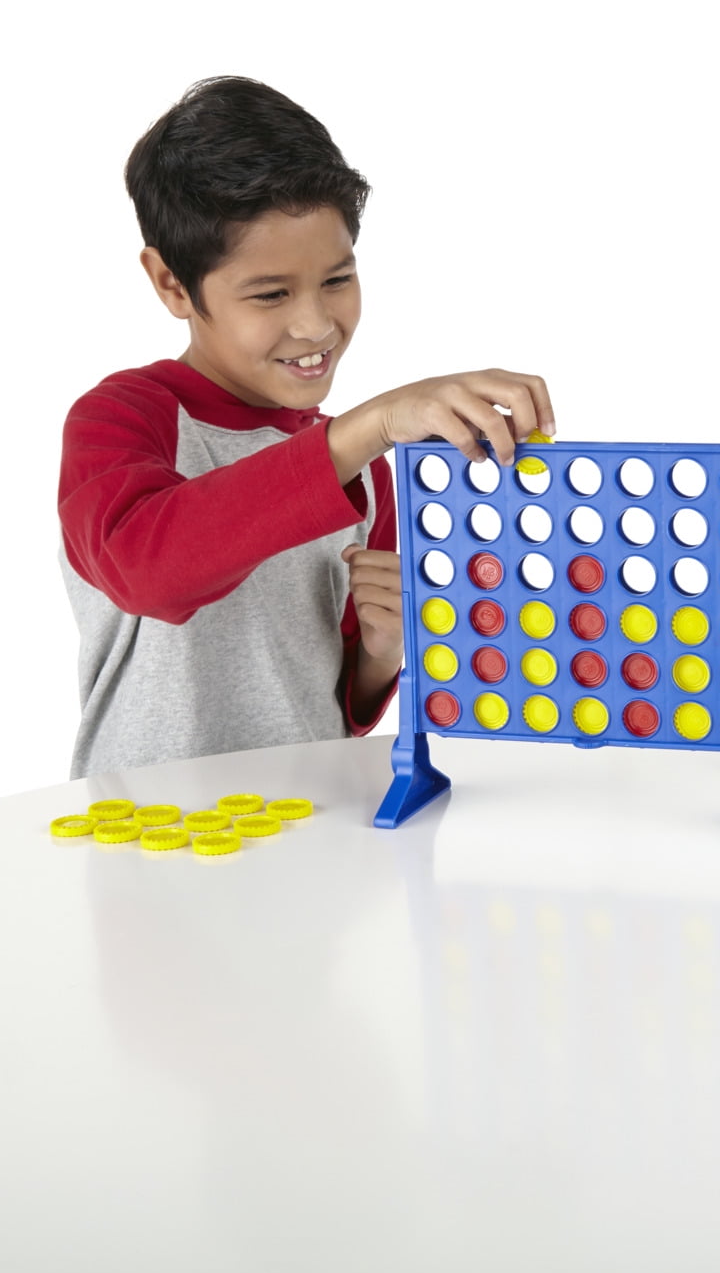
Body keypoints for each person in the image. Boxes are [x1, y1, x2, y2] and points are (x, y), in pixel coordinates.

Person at [59, 77, 553, 778]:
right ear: (172, 284)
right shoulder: (120, 419)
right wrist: (371, 425)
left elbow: (337, 696)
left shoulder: (366, 467)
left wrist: (382, 651)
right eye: (271, 293)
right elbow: (149, 572)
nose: (317, 324)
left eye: (337, 279)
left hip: (315, 834)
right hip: (147, 839)